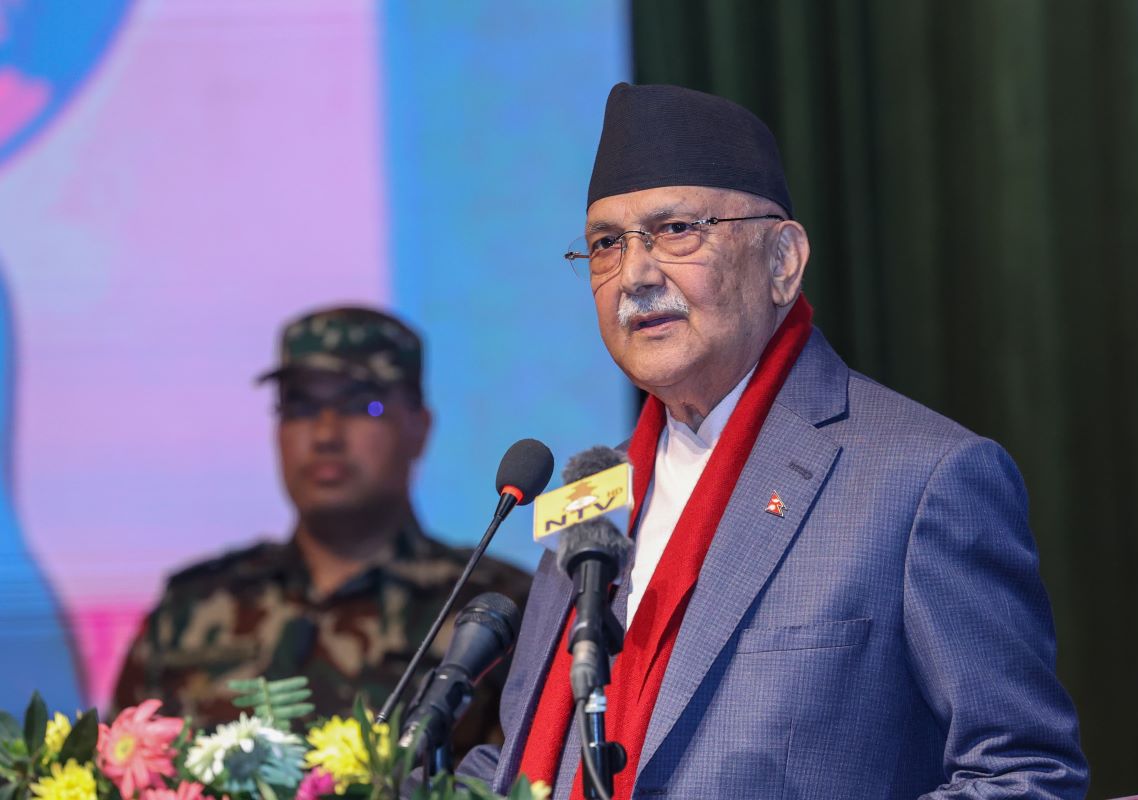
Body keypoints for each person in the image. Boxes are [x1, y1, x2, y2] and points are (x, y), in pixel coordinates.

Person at [455, 84, 1089, 798]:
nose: (634, 275)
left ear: (783, 260)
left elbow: (1024, 775)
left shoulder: (923, 479)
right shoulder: (591, 498)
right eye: (606, 244)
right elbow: (526, 767)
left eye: (676, 230)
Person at [113, 306, 531, 753]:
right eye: (300, 406)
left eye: (363, 405)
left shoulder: (498, 608)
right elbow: (123, 765)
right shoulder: (190, 608)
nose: (325, 434)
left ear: (419, 427)